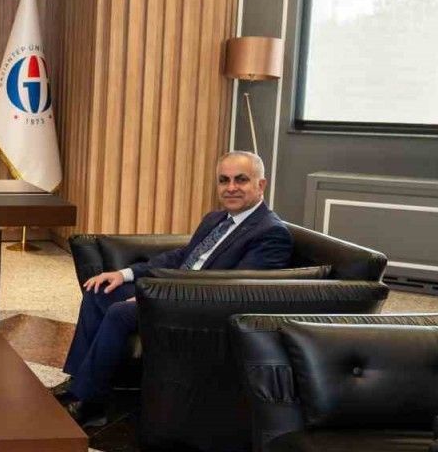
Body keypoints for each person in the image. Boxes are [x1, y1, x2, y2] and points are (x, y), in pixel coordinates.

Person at [56, 150, 292, 427]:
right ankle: (79, 383)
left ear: (260, 185)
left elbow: (236, 289)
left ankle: (91, 404)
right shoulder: (216, 219)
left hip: (202, 310)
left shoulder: (270, 233)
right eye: (223, 180)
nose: (230, 188)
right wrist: (124, 274)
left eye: (241, 180)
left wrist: (156, 296)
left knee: (120, 312)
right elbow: (182, 257)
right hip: (174, 293)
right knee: (100, 291)